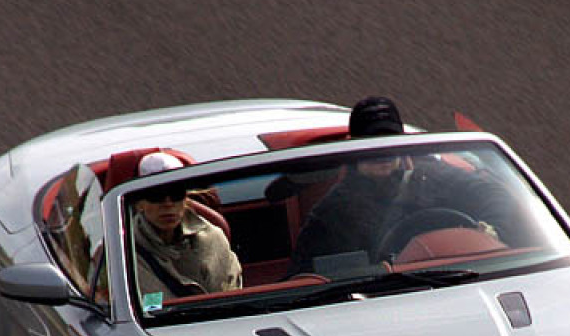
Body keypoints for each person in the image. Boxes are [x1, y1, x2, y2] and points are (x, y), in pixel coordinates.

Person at [287, 97, 517, 275]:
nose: (382, 153)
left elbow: (494, 194)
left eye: (389, 142)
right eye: (370, 145)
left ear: (402, 142)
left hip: (458, 279)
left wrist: (492, 231)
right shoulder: (332, 212)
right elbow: (304, 276)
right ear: (353, 148)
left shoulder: (433, 175)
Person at [131, 152, 242, 306]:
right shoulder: (123, 252)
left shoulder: (213, 238)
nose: (168, 204)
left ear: (185, 199)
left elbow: (232, 297)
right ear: (139, 203)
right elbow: (150, 308)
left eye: (176, 193)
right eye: (156, 195)